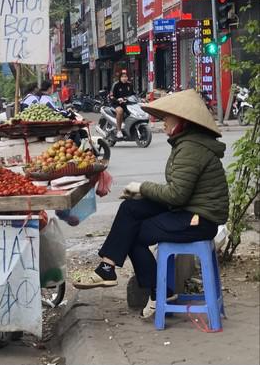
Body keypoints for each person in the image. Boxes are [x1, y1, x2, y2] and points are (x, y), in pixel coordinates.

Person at [73, 89, 229, 319]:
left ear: (182, 122)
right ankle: (108, 268)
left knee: (133, 234)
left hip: (199, 218)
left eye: (168, 118)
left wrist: (142, 187)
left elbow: (177, 195)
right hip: (187, 207)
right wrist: (141, 194)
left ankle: (160, 292)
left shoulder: (191, 149)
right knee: (130, 208)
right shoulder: (187, 143)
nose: (164, 122)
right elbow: (179, 191)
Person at [111, 71, 135, 138]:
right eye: (122, 77)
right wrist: (117, 100)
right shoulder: (116, 85)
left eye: (126, 77)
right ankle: (119, 130)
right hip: (116, 104)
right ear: (120, 78)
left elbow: (134, 94)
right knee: (120, 111)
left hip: (127, 104)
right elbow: (111, 96)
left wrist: (141, 99)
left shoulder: (130, 85)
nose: (124, 78)